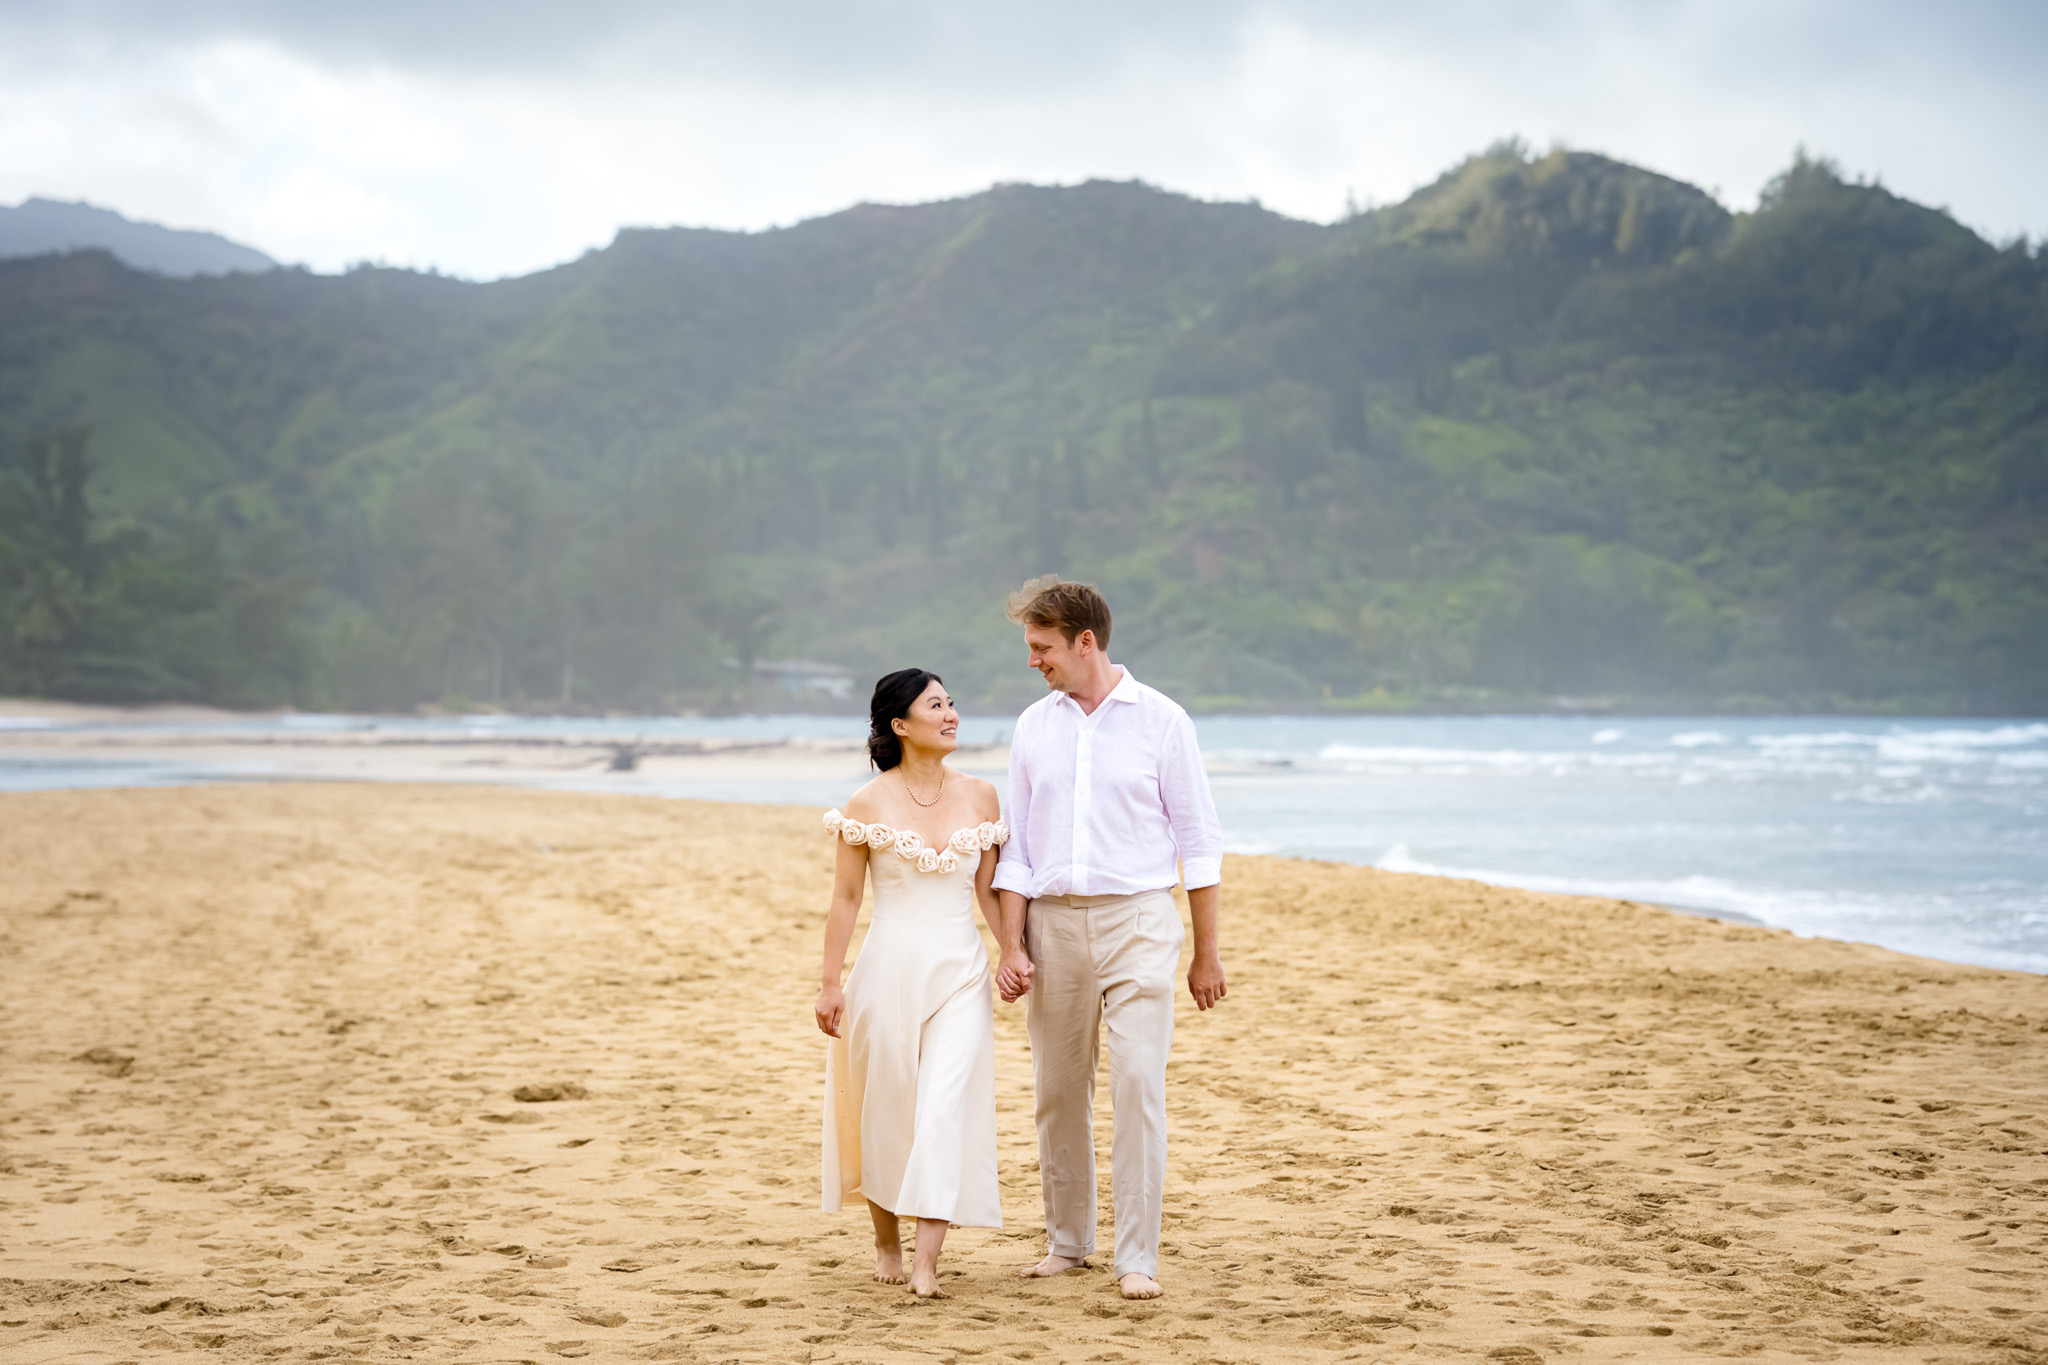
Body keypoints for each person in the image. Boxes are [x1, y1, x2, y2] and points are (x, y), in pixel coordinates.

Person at [992, 576, 1226, 1301]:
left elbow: (1199, 839)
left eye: (1043, 647)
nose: (1033, 660)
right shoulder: (1034, 725)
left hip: (1140, 921)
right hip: (1052, 924)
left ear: (1084, 641)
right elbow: (1017, 851)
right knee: (1059, 1091)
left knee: (1136, 1084)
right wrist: (1011, 942)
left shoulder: (1164, 721)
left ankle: (1137, 1257)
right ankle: (1068, 1242)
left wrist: (1206, 951)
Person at [815, 668, 1009, 1299]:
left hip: (961, 971)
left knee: (945, 1109)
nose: (951, 714)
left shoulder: (982, 796)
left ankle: (927, 1262)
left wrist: (1014, 951)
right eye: (935, 706)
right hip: (886, 974)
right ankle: (886, 1242)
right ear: (900, 725)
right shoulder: (867, 804)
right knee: (887, 1110)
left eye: (953, 702)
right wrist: (830, 983)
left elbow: (988, 890)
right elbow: (846, 898)